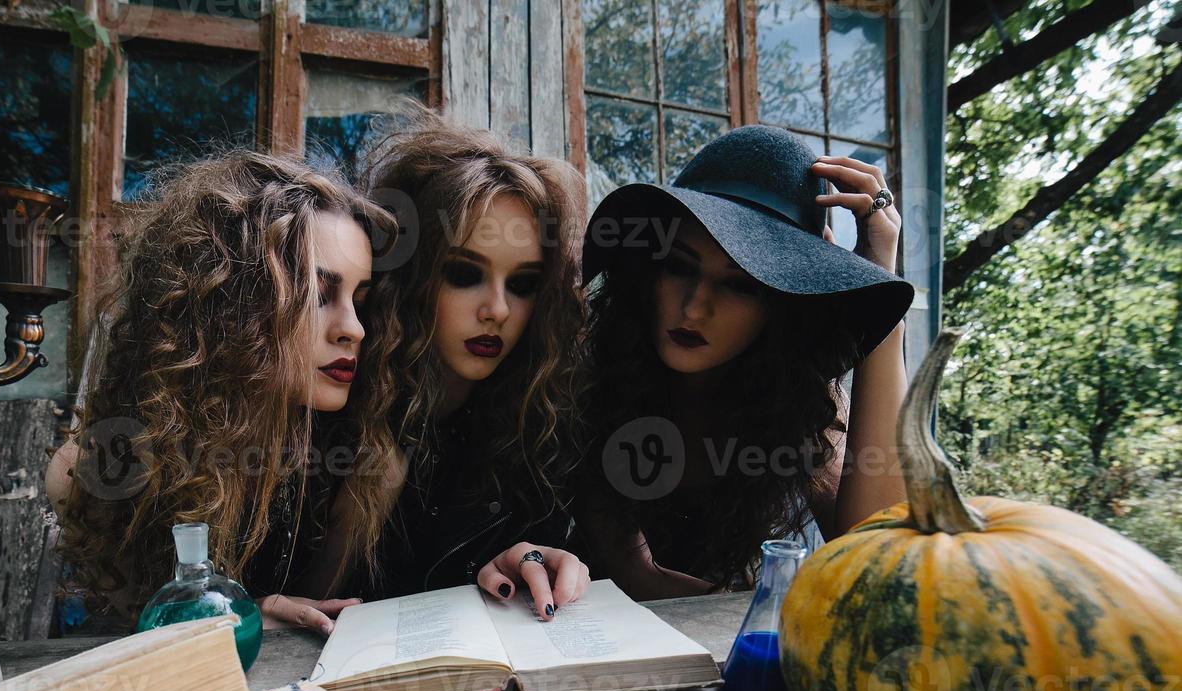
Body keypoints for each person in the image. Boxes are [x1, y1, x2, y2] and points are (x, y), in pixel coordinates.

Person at [46, 150, 399, 635]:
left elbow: (317, 620)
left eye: (358, 301)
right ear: (231, 305)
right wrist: (238, 619)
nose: (354, 329)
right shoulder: (94, 469)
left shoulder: (358, 461)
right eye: (319, 295)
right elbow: (140, 637)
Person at [574, 125, 916, 599]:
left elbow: (880, 555)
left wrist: (880, 298)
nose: (694, 308)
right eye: (679, 267)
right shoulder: (584, 379)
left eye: (740, 284)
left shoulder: (797, 402)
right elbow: (636, 580)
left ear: (780, 303)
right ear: (646, 271)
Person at [307, 109, 591, 620]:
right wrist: (356, 512)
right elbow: (292, 609)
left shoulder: (537, 420)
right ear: (412, 277)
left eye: (523, 284)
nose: (498, 310)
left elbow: (514, 581)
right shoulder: (330, 398)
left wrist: (526, 562)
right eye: (465, 274)